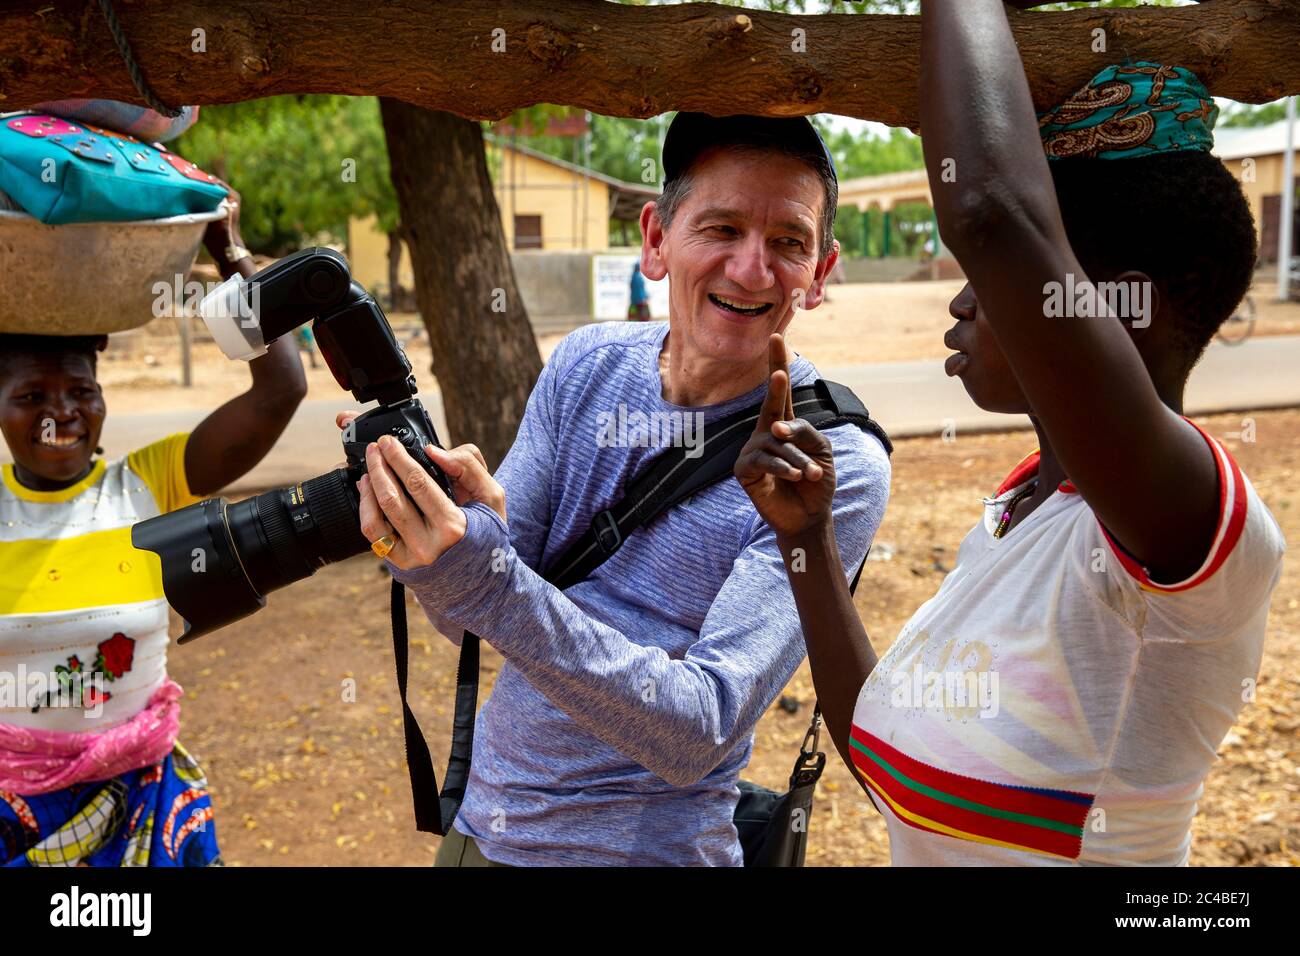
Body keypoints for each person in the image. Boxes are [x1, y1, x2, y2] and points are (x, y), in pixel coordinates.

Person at [735, 0, 1285, 866]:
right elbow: (892, 766)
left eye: (1001, 282)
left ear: (1121, 309)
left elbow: (992, 213)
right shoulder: (1019, 511)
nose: (963, 300)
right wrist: (805, 542)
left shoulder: (1185, 527)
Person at [343, 113, 892, 866]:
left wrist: (489, 578)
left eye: (788, 242)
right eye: (721, 228)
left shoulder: (832, 462)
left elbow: (699, 731)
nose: (751, 269)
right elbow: (470, 620)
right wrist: (438, 544)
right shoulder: (586, 365)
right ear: (656, 241)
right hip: (481, 833)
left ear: (820, 273)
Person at [0, 192, 307, 866]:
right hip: (15, 816)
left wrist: (229, 252)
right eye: (30, 397)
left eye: (81, 391)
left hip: (144, 806)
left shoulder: (147, 484)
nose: (61, 414)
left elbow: (280, 389)